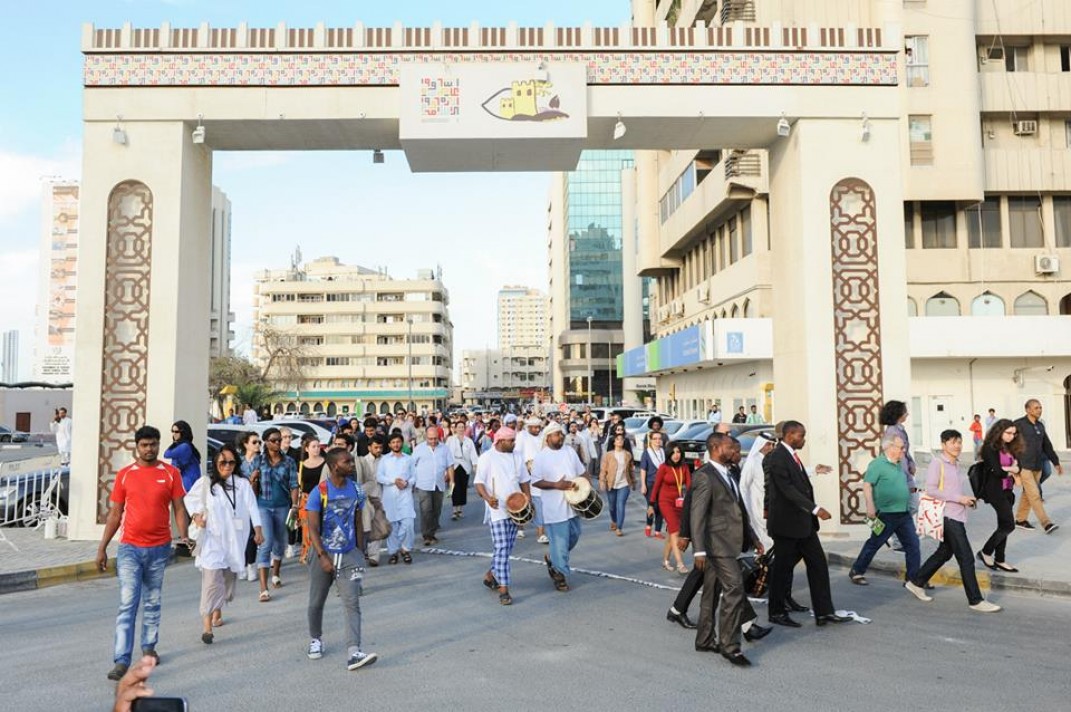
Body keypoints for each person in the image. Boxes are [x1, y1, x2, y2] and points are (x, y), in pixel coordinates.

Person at [96, 425, 192, 681]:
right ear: (136, 447)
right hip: (129, 548)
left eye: (153, 444)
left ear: (159, 445)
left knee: (152, 601)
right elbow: (115, 514)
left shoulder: (170, 474)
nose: (149, 449)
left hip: (159, 548)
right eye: (145, 445)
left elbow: (179, 509)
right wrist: (102, 547)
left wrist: (184, 536)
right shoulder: (125, 475)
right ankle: (121, 660)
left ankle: (149, 648)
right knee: (128, 603)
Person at [763, 421, 851, 628]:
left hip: (804, 525)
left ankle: (824, 612)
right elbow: (788, 490)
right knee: (781, 570)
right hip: (786, 525)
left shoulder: (792, 456)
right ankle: (776, 612)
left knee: (819, 565)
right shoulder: (776, 457)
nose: (804, 439)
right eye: (801, 436)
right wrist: (815, 509)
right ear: (789, 435)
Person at [690, 432, 766, 667]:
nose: (736, 452)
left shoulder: (730, 472)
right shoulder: (705, 476)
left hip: (729, 541)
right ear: (715, 448)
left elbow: (739, 508)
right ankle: (730, 646)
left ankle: (704, 639)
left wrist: (752, 537)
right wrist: (699, 550)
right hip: (716, 544)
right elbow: (697, 514)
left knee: (711, 593)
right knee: (735, 589)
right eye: (730, 448)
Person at [905, 430, 1001, 612]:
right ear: (943, 445)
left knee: (944, 552)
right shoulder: (937, 463)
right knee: (966, 558)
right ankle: (975, 600)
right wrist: (959, 498)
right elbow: (931, 490)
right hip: (947, 516)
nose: (957, 446)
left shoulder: (955, 464)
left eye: (959, 442)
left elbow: (952, 490)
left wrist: (967, 500)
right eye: (952, 442)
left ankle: (916, 582)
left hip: (956, 514)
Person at [305, 447, 379, 670]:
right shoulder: (320, 491)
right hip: (323, 554)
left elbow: (358, 520)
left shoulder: (356, 490)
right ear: (334, 466)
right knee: (317, 601)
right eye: (347, 462)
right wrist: (322, 556)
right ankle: (316, 639)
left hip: (348, 555)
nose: (351, 465)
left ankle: (354, 651)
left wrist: (359, 551)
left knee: (352, 603)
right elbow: (312, 528)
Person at [184, 444, 264, 644]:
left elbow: (252, 507)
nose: (227, 466)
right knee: (211, 581)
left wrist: (258, 530)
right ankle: (207, 627)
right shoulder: (206, 483)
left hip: (235, 540)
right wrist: (196, 517)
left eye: (231, 462)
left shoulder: (242, 484)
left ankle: (217, 609)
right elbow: (190, 500)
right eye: (222, 462)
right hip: (212, 539)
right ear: (216, 463)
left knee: (227, 583)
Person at [847, 434, 921, 586]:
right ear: (890, 447)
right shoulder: (877, 464)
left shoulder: (899, 464)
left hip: (903, 513)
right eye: (901, 447)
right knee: (874, 543)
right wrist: (870, 506)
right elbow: (867, 485)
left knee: (913, 545)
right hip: (886, 514)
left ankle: (912, 579)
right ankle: (857, 570)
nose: (904, 450)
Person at [474, 427, 532, 605]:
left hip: (516, 509)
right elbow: (479, 482)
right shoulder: (487, 457)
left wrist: (527, 499)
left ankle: (491, 574)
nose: (514, 444)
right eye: (511, 441)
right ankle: (504, 590)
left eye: (514, 440)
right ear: (499, 441)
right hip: (497, 509)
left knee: (506, 549)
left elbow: (524, 480)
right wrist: (487, 498)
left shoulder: (517, 456)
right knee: (502, 546)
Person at [531, 422, 586, 591]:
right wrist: (557, 485)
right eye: (557, 434)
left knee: (575, 536)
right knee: (561, 543)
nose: (561, 437)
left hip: (573, 504)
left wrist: (588, 489)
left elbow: (582, 472)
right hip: (554, 508)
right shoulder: (541, 457)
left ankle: (553, 557)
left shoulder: (569, 451)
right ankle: (559, 574)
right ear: (548, 438)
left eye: (561, 434)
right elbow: (536, 481)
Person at [251, 427, 299, 601]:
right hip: (263, 506)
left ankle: (276, 573)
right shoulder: (258, 460)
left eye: (280, 440)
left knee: (280, 542)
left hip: (283, 506)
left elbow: (294, 485)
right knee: (266, 542)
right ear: (266, 442)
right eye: (274, 440)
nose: (278, 443)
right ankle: (263, 588)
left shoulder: (289, 462)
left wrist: (294, 506)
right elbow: (252, 490)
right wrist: (252, 479)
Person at [977, 419, 1023, 572]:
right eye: (1008, 433)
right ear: (999, 432)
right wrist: (1011, 469)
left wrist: (1009, 469)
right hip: (995, 490)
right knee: (1009, 524)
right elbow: (997, 471)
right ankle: (986, 551)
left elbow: (1020, 467)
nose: (1012, 436)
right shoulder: (990, 448)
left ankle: (1000, 559)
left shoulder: (1011, 446)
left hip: (1008, 489)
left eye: (1014, 434)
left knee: (1003, 525)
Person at [1012, 399, 1062, 533]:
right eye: (1036, 408)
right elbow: (1009, 441)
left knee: (1027, 493)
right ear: (1027, 410)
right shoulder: (1019, 424)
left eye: (1040, 407)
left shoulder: (1040, 426)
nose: (1039, 410)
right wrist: (1013, 462)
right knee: (1034, 494)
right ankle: (1046, 523)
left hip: (1037, 466)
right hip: (1024, 466)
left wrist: (1055, 462)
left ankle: (1020, 520)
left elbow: (1047, 445)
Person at [879, 400, 917, 550]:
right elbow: (895, 457)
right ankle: (893, 537)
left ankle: (894, 537)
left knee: (907, 507)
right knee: (911, 505)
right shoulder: (893, 433)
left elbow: (905, 452)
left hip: (905, 474)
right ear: (898, 414)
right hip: (900, 476)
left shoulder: (899, 429)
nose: (907, 413)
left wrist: (912, 464)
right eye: (904, 411)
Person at [650, 443, 691, 572]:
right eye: (673, 452)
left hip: (679, 502)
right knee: (675, 530)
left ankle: (666, 560)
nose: (676, 455)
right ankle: (680, 563)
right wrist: (651, 504)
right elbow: (656, 486)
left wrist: (693, 501)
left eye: (678, 452)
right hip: (665, 501)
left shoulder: (684, 467)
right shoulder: (664, 467)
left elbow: (689, 486)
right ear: (669, 454)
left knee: (671, 533)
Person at [377, 432, 416, 564]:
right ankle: (393, 552)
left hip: (405, 495)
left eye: (398, 442)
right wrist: (394, 481)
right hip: (389, 497)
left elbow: (414, 476)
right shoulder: (384, 460)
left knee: (409, 523)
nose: (396, 444)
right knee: (392, 526)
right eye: (393, 442)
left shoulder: (409, 459)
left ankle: (405, 549)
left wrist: (406, 483)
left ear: (402, 443)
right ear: (389, 445)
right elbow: (379, 477)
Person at [412, 426, 454, 546]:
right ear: (426, 437)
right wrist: (412, 481)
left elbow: (450, 465)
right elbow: (411, 465)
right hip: (423, 484)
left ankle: (432, 532)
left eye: (435, 438)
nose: (433, 441)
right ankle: (427, 535)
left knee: (436, 509)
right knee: (426, 510)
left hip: (439, 484)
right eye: (430, 439)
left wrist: (452, 480)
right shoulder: (419, 449)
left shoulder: (444, 449)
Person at [236, 431, 263, 581]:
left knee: (253, 533)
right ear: (245, 444)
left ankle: (251, 564)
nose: (258, 444)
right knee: (241, 533)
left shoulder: (261, 460)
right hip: (241, 503)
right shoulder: (239, 462)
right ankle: (243, 564)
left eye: (259, 442)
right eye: (254, 442)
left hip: (257, 501)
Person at [295, 437, 326, 564]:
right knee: (307, 528)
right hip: (306, 500)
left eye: (318, 446)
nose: (317, 449)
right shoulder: (302, 465)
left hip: (322, 498)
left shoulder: (325, 463)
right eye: (313, 446)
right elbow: (298, 484)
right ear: (307, 448)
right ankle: (307, 553)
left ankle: (322, 553)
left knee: (322, 527)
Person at [356, 434, 385, 566]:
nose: (378, 450)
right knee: (364, 527)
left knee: (377, 526)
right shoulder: (362, 461)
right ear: (369, 448)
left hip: (380, 497)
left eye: (380, 447)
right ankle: (364, 551)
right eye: (375, 447)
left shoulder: (385, 460)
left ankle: (374, 556)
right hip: (364, 498)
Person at [599, 432, 635, 536]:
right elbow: (603, 470)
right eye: (618, 439)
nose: (620, 441)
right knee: (612, 506)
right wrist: (602, 482)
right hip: (611, 484)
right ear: (614, 442)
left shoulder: (628, 455)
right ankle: (614, 520)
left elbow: (631, 470)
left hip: (624, 484)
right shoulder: (608, 455)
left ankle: (619, 527)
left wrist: (633, 482)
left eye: (622, 439)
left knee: (621, 505)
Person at [518, 417, 548, 543]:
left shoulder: (543, 436)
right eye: (534, 427)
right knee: (523, 501)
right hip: (524, 472)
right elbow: (517, 454)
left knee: (539, 501)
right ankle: (520, 527)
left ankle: (540, 533)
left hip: (540, 473)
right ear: (528, 427)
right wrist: (524, 467)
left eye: (538, 427)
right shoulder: (522, 436)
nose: (537, 429)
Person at [446, 421, 478, 521]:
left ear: (465, 428)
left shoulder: (469, 441)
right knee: (455, 488)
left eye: (462, 427)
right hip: (454, 466)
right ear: (455, 428)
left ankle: (460, 509)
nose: (460, 429)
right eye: (458, 427)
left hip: (465, 466)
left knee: (463, 488)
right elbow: (446, 453)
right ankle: (454, 510)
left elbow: (473, 454)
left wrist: (475, 465)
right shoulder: (450, 440)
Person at [639, 431, 666, 539]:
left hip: (663, 484)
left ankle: (658, 531)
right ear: (651, 440)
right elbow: (643, 469)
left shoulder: (663, 452)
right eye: (655, 438)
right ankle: (649, 524)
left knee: (661, 507)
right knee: (653, 506)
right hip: (650, 483)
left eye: (659, 438)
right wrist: (643, 485)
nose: (658, 440)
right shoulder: (647, 453)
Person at [164, 420, 202, 493]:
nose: (174, 434)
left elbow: (166, 454)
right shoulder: (184, 445)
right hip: (184, 481)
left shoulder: (184, 446)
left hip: (187, 482)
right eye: (173, 431)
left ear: (183, 432)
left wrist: (174, 444)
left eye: (176, 432)